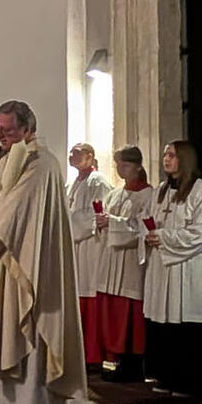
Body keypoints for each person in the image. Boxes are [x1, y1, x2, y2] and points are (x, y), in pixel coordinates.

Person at [0, 100, 87, 404]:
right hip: (6, 263)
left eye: (8, 130)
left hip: (28, 267)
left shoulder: (40, 163)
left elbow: (15, 209)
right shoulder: (10, 160)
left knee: (25, 338)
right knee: (3, 336)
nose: (1, 135)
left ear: (27, 128)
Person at [138, 140, 202, 397]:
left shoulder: (201, 192)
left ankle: (192, 381)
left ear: (185, 159)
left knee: (187, 323)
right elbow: (145, 220)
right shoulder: (161, 190)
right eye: (165, 154)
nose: (166, 159)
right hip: (164, 267)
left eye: (172, 155)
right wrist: (148, 235)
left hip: (190, 268)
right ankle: (167, 375)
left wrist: (163, 237)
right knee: (164, 320)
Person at [93, 147, 151, 380]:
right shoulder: (115, 194)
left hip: (130, 261)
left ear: (138, 166)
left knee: (128, 312)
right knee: (110, 311)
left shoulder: (148, 195)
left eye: (126, 165)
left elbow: (142, 228)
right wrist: (100, 222)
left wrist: (113, 222)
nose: (121, 169)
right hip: (110, 259)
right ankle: (113, 361)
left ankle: (132, 364)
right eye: (118, 164)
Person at [64, 145, 114, 364]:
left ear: (90, 156)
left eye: (76, 152)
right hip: (75, 247)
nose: (71, 156)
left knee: (89, 292)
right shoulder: (72, 183)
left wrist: (68, 222)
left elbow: (97, 215)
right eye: (71, 153)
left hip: (91, 246)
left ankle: (93, 353)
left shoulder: (98, 182)